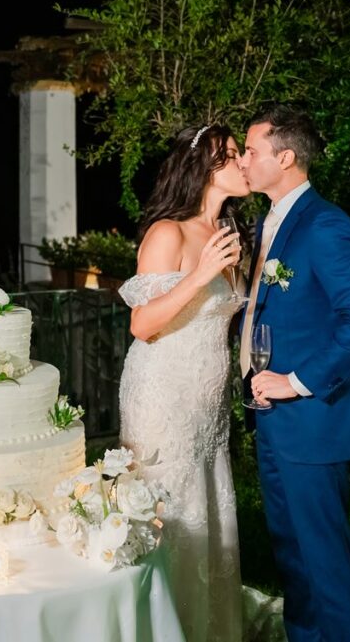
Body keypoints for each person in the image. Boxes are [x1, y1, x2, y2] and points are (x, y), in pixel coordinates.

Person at [238, 104, 350, 642]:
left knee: (325, 559)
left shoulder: (326, 225)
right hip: (273, 419)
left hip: (311, 417)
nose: (244, 159)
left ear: (285, 156)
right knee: (292, 554)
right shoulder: (268, 222)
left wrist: (296, 381)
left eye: (252, 151)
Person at [118, 123, 248, 641]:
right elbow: (143, 325)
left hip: (208, 405)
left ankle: (206, 625)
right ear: (204, 168)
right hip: (162, 396)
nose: (242, 161)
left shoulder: (231, 233)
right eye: (231, 154)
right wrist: (199, 276)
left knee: (208, 507)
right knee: (169, 513)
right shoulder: (168, 232)